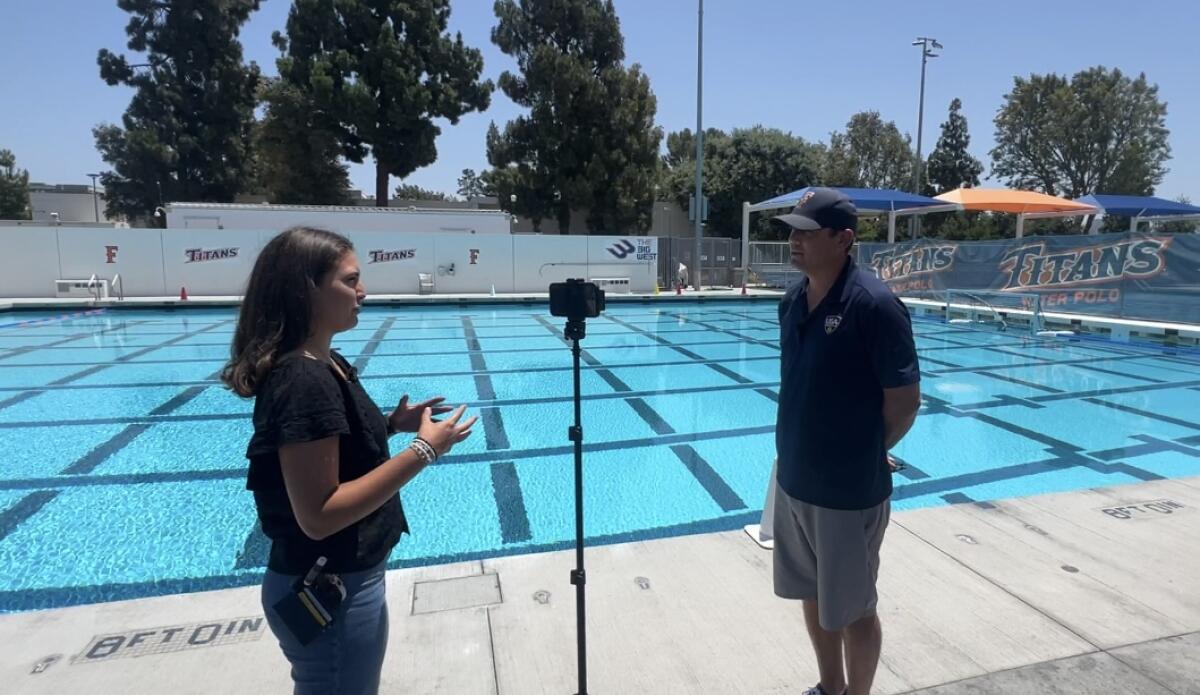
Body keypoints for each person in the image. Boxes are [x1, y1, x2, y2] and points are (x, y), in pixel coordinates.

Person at [221, 227, 477, 694]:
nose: (362, 292)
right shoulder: (303, 380)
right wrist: (425, 450)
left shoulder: (326, 361)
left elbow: (331, 445)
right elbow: (320, 514)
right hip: (328, 588)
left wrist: (389, 424)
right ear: (307, 289)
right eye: (350, 280)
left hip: (343, 580)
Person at [770, 189, 921, 695]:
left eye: (808, 232)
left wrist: (862, 449)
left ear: (844, 239)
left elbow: (903, 402)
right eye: (793, 230)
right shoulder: (793, 300)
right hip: (794, 480)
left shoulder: (874, 306)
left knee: (855, 610)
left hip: (846, 492)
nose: (795, 240)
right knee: (813, 595)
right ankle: (830, 687)